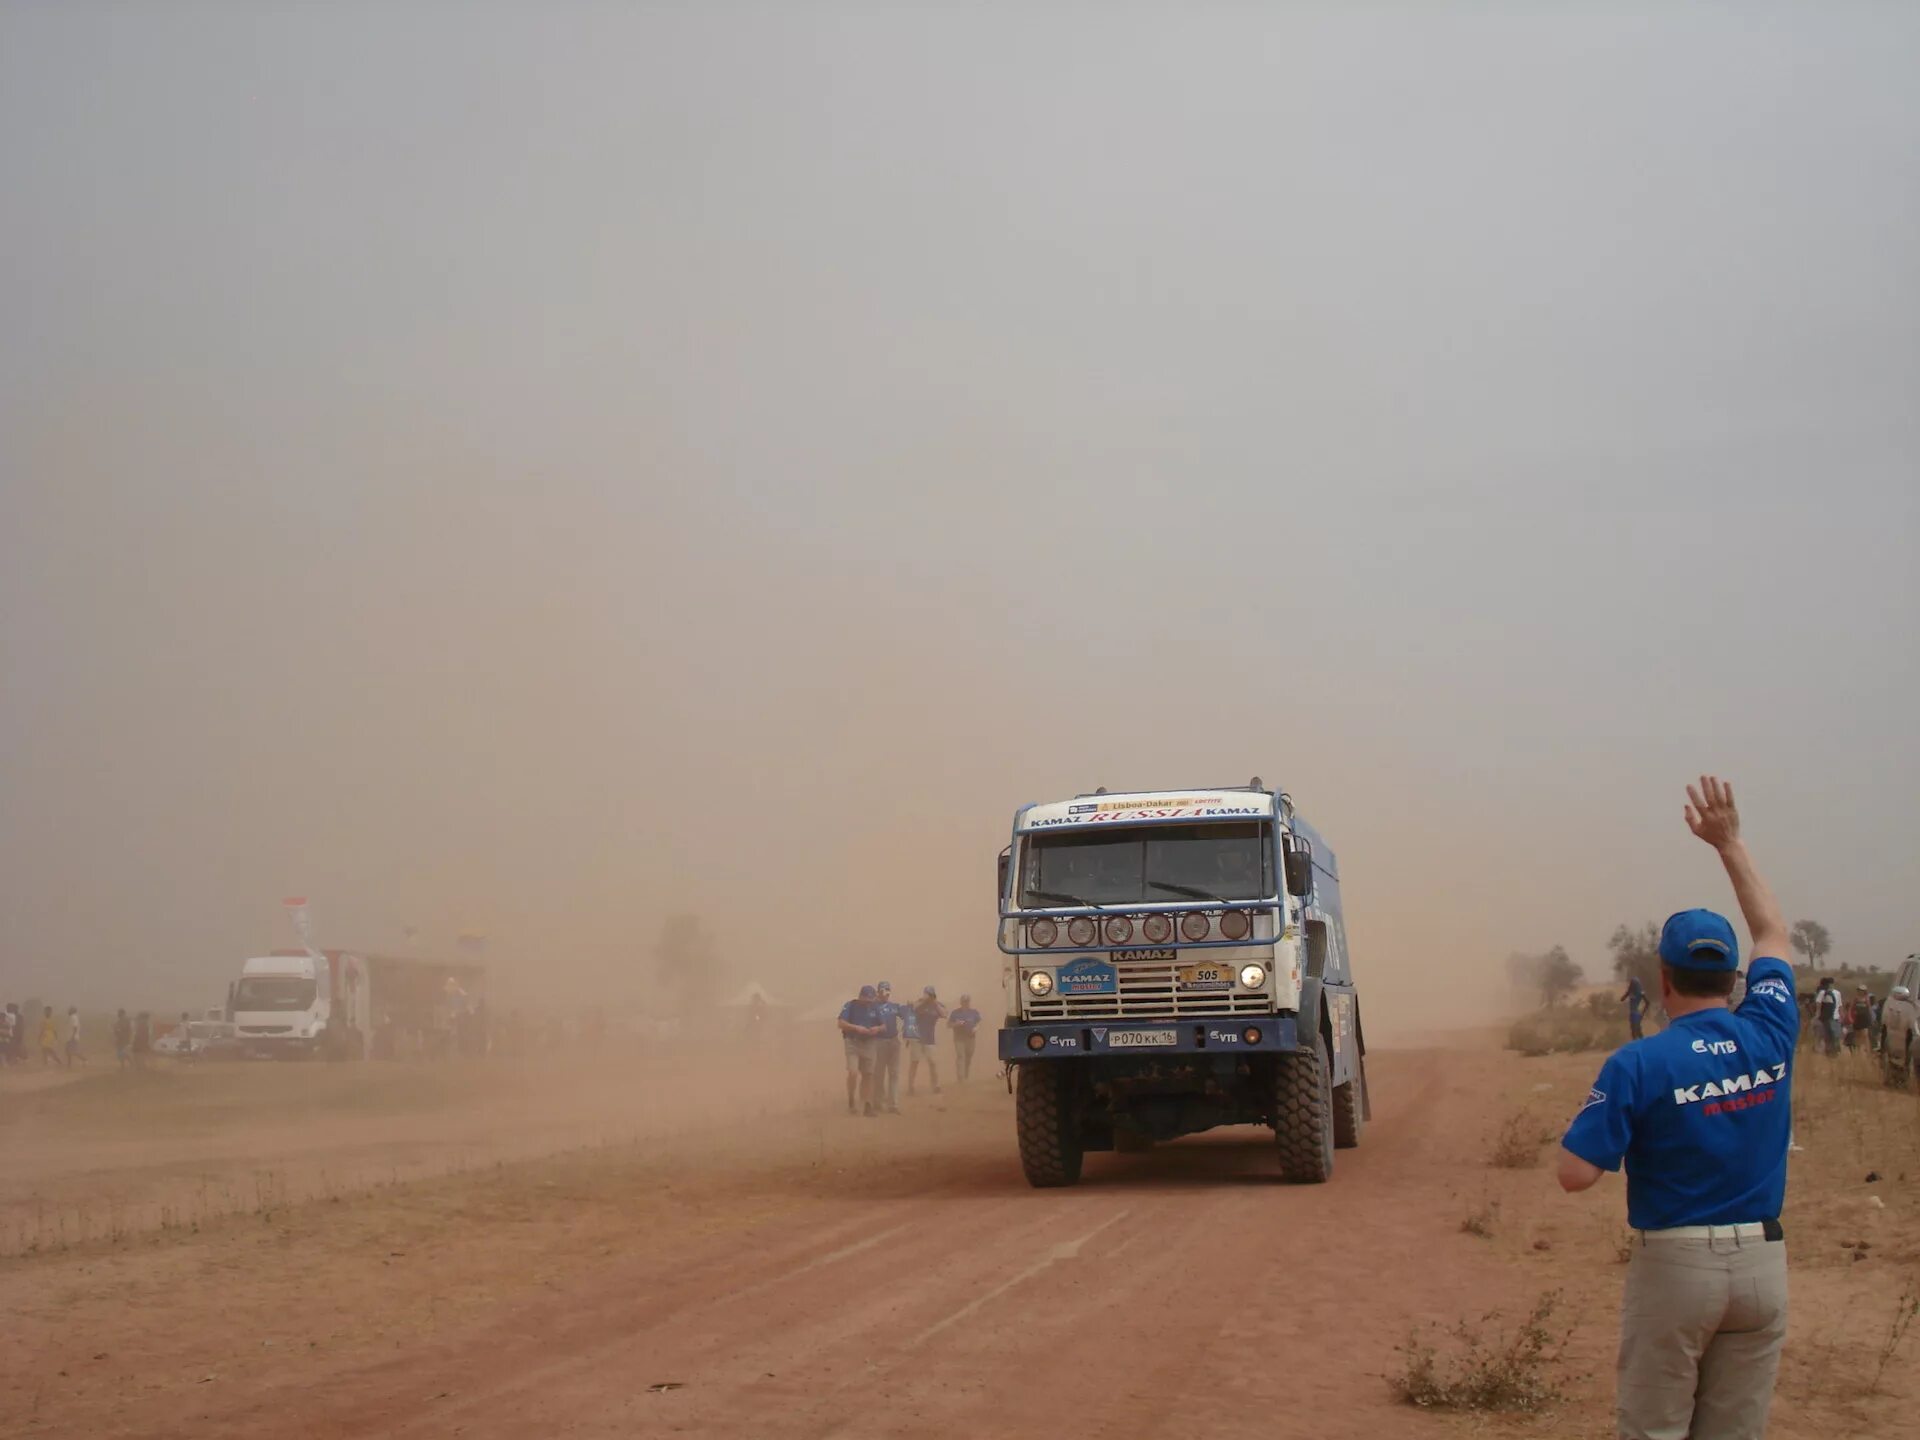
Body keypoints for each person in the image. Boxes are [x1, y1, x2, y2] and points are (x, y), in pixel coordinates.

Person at [1558, 777, 1797, 1440]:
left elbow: (1575, 1174)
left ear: (1661, 979)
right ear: (1734, 979)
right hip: (1762, 1267)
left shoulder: (1639, 1063)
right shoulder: (1772, 1027)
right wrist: (1729, 843)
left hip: (1677, 1270)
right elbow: (1773, 930)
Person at [836, 985, 883, 1116]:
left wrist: (877, 1029)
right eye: (867, 999)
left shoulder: (875, 1008)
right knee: (853, 1072)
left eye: (871, 999)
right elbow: (840, 1023)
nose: (869, 1002)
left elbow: (883, 1025)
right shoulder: (850, 1006)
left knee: (868, 1074)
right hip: (853, 1042)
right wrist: (856, 1028)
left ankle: (867, 1104)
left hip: (869, 1043)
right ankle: (851, 1099)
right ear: (860, 996)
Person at [908, 986, 947, 1095]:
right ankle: (911, 1086)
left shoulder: (937, 1005)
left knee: (933, 1063)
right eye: (927, 994)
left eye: (931, 995)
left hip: (930, 1039)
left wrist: (934, 1003)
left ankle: (936, 1086)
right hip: (917, 1038)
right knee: (914, 1062)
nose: (929, 997)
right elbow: (912, 1009)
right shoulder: (919, 1003)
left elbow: (944, 1014)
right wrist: (924, 1001)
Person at [872, 981, 904, 1114]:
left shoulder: (894, 1006)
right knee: (879, 1073)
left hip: (894, 1041)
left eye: (887, 990)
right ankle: (878, 1100)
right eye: (883, 990)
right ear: (878, 992)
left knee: (894, 1073)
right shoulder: (873, 1007)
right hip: (880, 1042)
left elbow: (908, 1014)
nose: (885, 993)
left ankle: (893, 1104)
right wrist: (876, 999)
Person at [949, 994, 983, 1082]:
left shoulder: (974, 1012)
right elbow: (948, 1024)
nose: (965, 1003)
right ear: (961, 1002)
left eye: (967, 1002)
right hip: (959, 1038)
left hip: (970, 1038)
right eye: (964, 1002)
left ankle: (966, 1074)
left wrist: (976, 1028)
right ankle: (960, 1077)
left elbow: (979, 1022)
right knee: (960, 1056)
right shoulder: (955, 1013)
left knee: (968, 1056)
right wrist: (956, 1024)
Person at [1810, 977, 1842, 1056]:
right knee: (1829, 1036)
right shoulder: (1823, 992)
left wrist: (1841, 1016)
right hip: (1828, 1018)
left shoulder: (1837, 993)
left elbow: (1840, 1005)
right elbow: (1818, 1003)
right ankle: (1829, 1052)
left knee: (1835, 1035)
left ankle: (1834, 1051)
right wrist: (1818, 1014)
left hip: (1835, 1017)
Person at [1845, 986, 1874, 1053]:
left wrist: (1871, 1018)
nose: (1861, 991)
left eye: (1862, 990)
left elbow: (1869, 1009)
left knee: (1865, 1034)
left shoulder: (1866, 998)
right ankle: (1858, 1050)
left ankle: (1868, 1050)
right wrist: (1850, 1018)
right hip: (1857, 1018)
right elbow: (1850, 1008)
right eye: (1860, 990)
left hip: (1865, 1018)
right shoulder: (1855, 999)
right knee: (1857, 1035)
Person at [1620, 975, 1649, 1041]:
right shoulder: (1637, 992)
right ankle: (1644, 1047)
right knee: (1638, 1033)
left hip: (1635, 1014)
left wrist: (1642, 1013)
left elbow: (1647, 1003)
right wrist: (1642, 1014)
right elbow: (1622, 999)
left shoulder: (1640, 992)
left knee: (1635, 1034)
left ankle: (1640, 1048)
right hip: (1634, 1014)